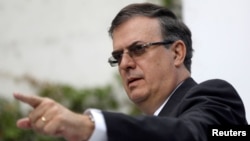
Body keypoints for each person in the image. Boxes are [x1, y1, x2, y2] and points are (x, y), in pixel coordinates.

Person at [14, 2, 248, 141]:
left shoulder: (215, 98)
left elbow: (192, 135)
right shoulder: (144, 129)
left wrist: (89, 126)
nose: (125, 63)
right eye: (118, 56)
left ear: (177, 53)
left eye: (138, 49)